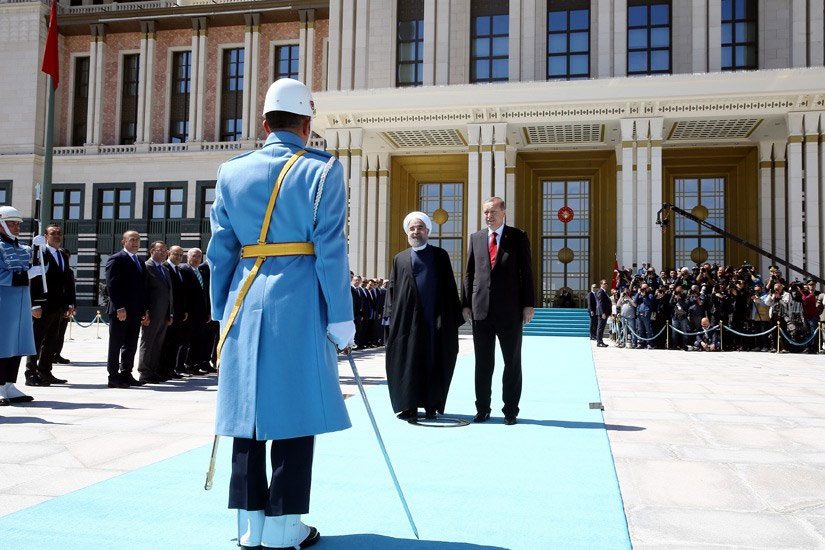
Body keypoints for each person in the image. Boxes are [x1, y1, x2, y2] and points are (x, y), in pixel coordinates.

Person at [207, 77, 353, 549]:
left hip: (243, 299)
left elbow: (220, 251)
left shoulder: (231, 171)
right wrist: (340, 315)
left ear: (263, 122)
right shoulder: (324, 170)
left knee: (246, 411)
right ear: (307, 124)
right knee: (294, 409)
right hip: (298, 298)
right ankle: (285, 525)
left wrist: (219, 311)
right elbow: (331, 248)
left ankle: (250, 524)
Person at [462, 196, 535, 425]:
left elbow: (527, 272)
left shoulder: (518, 237)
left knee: (511, 362)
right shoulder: (476, 238)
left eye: (492, 211)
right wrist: (465, 304)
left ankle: (510, 410)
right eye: (485, 212)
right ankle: (482, 408)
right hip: (481, 311)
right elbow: (469, 273)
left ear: (503, 212)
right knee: (483, 363)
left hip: (510, 311)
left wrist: (528, 304)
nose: (488, 216)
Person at [384, 211, 463, 420]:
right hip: (406, 324)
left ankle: (431, 405)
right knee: (408, 363)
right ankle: (409, 407)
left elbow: (449, 287)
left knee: (432, 361)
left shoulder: (440, 256)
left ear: (428, 231)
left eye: (419, 227)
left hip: (433, 321)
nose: (415, 231)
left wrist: (451, 317)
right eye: (412, 228)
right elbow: (393, 290)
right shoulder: (399, 259)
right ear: (407, 233)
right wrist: (389, 318)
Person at [26, 223, 75, 386]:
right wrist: (34, 305)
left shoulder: (62, 255)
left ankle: (45, 371)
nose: (57, 236)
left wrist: (70, 303)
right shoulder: (40, 253)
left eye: (59, 233)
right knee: (36, 340)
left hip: (58, 306)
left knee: (52, 340)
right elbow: (34, 280)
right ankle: (30, 373)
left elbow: (68, 281)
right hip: (43, 304)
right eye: (53, 233)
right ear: (46, 236)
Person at [0, 206, 37, 406]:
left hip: (21, 302)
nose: (16, 227)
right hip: (3, 301)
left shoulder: (24, 248)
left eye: (18, 224)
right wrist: (24, 275)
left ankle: (8, 384)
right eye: (12, 223)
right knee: (2, 345)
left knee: (18, 344)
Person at [105, 230, 149, 388]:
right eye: (132, 239)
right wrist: (119, 307)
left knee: (131, 343)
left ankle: (126, 374)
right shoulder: (117, 259)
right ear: (123, 242)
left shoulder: (140, 261)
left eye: (138, 239)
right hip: (120, 311)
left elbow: (142, 288)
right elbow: (112, 285)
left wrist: (144, 310)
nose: (136, 242)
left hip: (136, 311)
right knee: (116, 343)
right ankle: (113, 376)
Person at [137, 241, 172, 384]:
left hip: (163, 313)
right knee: (148, 342)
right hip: (151, 313)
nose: (164, 252)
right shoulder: (146, 267)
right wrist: (144, 312)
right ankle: (144, 373)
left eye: (165, 250)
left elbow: (169, 294)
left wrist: (169, 313)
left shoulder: (165, 270)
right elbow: (143, 291)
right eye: (160, 250)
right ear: (152, 251)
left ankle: (153, 371)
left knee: (157, 343)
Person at [158, 245, 190, 380]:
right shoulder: (165, 267)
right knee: (166, 343)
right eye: (175, 254)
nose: (178, 257)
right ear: (169, 253)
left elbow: (182, 293)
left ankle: (171, 369)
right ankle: (163, 370)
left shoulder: (179, 270)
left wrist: (184, 310)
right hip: (168, 313)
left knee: (175, 342)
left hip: (178, 314)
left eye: (180, 255)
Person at [181, 248, 212, 375]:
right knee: (187, 340)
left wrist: (207, 312)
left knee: (198, 340)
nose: (197, 258)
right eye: (194, 256)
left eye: (199, 256)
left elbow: (204, 294)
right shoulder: (184, 270)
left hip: (200, 313)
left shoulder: (200, 271)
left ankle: (194, 364)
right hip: (190, 313)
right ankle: (186, 364)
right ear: (188, 257)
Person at [595, 279, 610, 347]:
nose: (606, 284)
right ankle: (599, 342)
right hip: (602, 313)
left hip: (605, 313)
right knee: (600, 327)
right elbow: (599, 304)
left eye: (607, 283)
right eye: (604, 283)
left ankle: (601, 341)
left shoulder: (605, 292)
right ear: (601, 284)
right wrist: (603, 313)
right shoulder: (600, 292)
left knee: (602, 327)